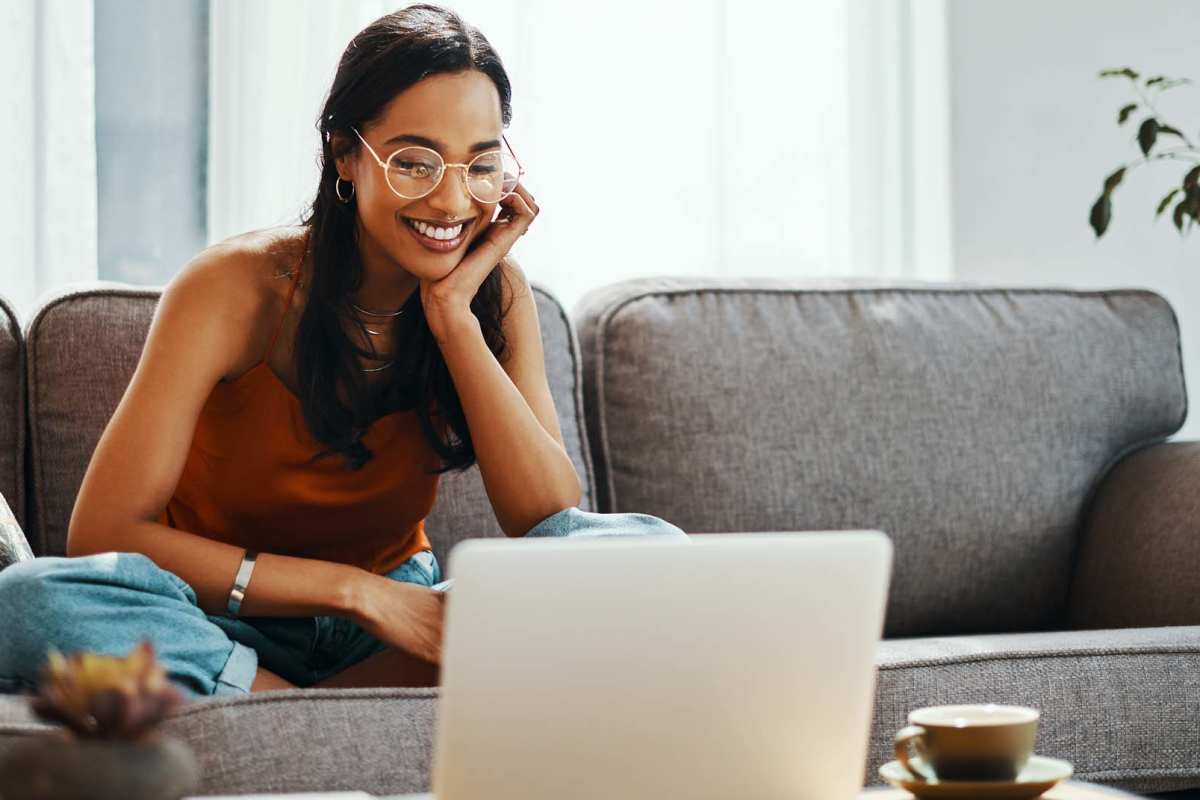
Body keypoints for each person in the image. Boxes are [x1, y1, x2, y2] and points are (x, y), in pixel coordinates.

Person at [0, 4, 683, 702]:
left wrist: (451, 318)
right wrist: (355, 592)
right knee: (23, 600)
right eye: (415, 162)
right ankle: (295, 706)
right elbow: (103, 531)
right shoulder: (233, 289)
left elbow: (547, 515)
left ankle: (273, 703)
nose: (452, 200)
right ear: (344, 153)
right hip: (223, 617)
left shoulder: (490, 293)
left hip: (398, 628)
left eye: (480, 165)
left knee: (646, 553)